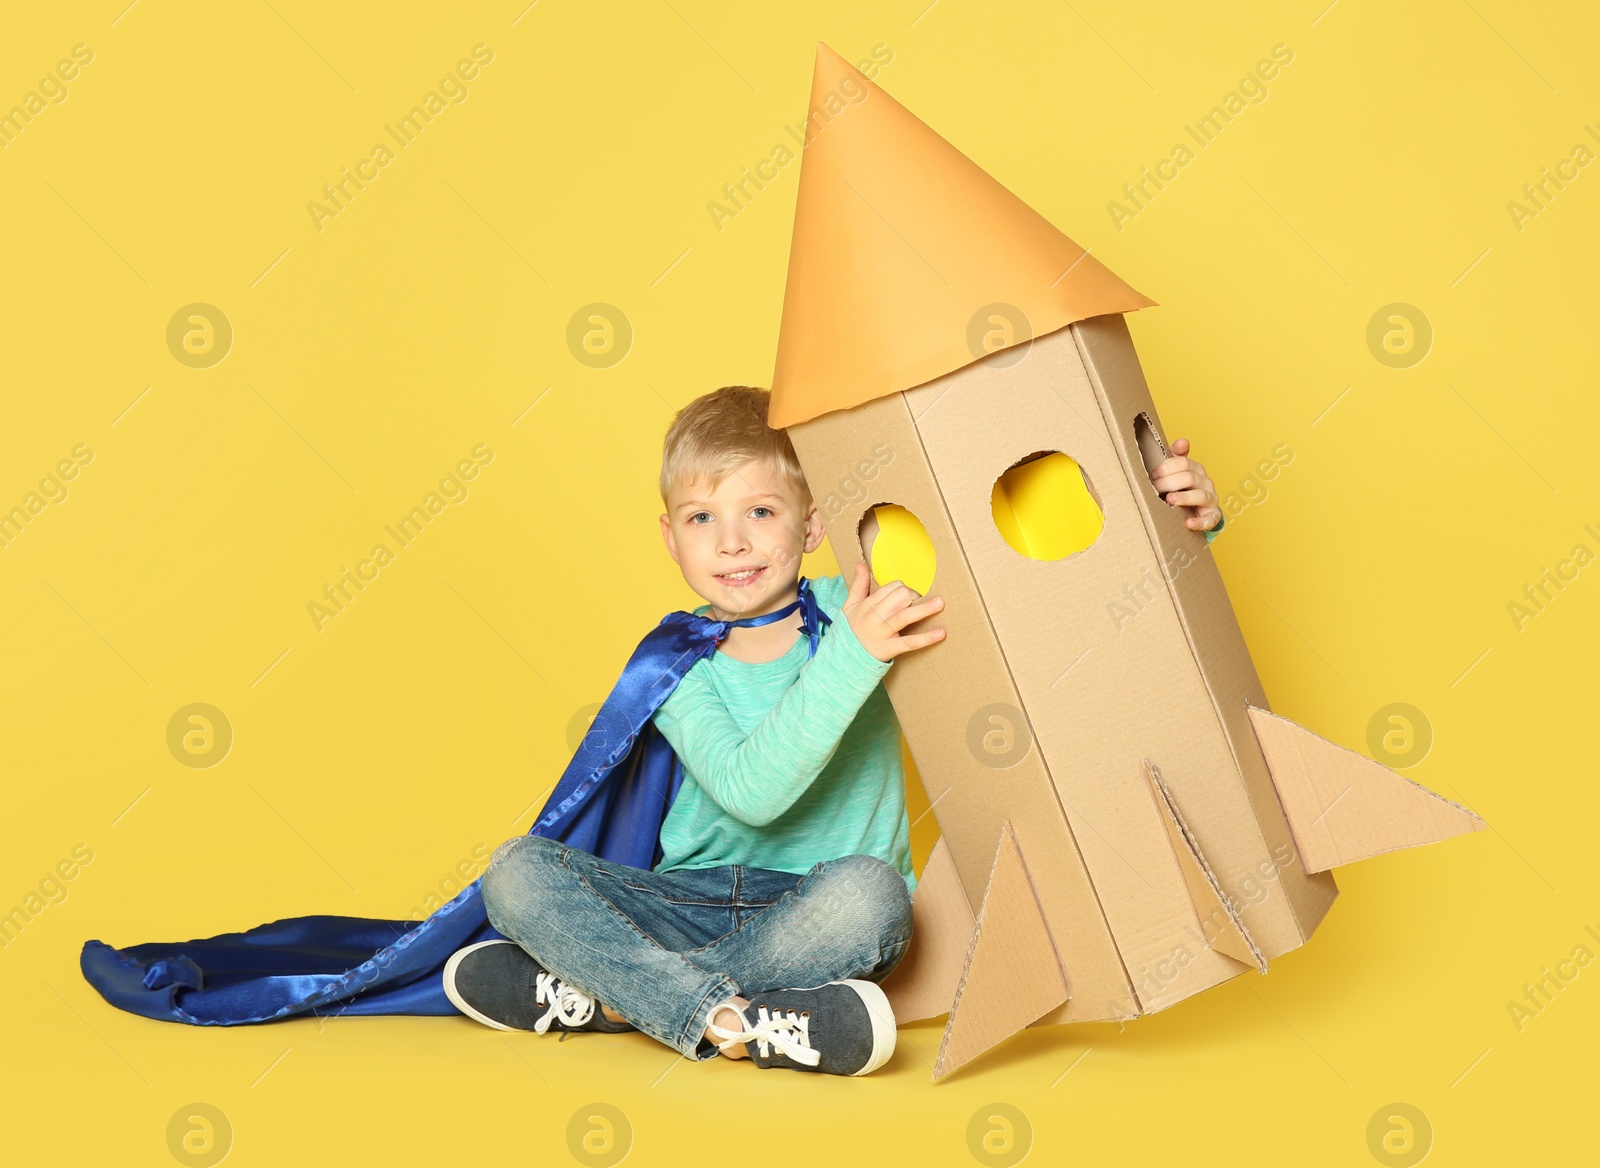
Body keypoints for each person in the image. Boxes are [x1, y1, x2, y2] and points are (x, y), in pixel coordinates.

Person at [441, 386, 1222, 1075]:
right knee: (514, 869)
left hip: (819, 915)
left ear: (814, 524)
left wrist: (1172, 520)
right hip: (684, 899)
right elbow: (754, 793)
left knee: (877, 895)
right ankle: (747, 1022)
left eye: (760, 511)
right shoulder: (677, 663)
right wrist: (856, 658)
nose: (732, 541)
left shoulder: (860, 606)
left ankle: (615, 998)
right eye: (701, 518)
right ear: (670, 537)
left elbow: (1025, 605)